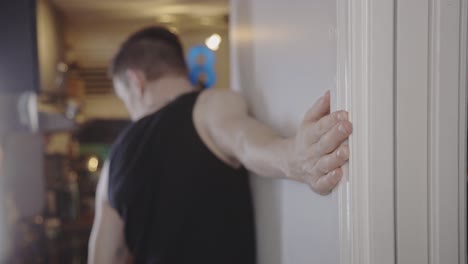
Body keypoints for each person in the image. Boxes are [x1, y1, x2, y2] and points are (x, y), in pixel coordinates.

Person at [88, 26, 352, 264]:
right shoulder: (208, 106)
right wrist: (294, 156)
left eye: (125, 100)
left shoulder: (113, 164)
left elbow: (105, 256)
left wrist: (294, 157)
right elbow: (246, 143)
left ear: (136, 81)